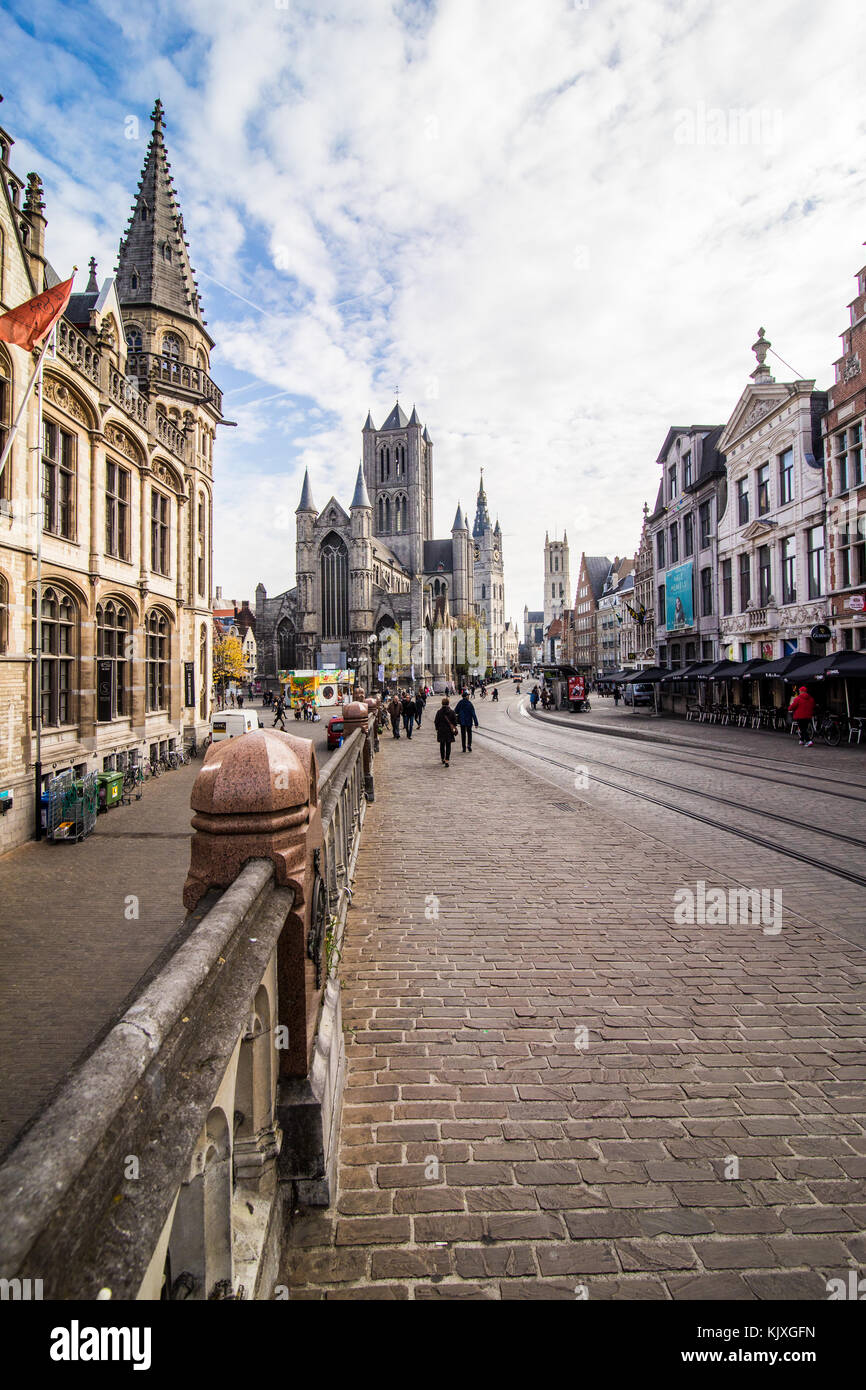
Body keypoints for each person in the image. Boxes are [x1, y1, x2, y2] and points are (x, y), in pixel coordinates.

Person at [434, 696, 458, 765]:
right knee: (448, 745)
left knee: (442, 745)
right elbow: (455, 722)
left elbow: (436, 721)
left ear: (442, 703)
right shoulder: (452, 712)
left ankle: (442, 758)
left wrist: (437, 728)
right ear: (448, 703)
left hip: (441, 730)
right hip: (449, 731)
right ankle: (447, 759)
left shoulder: (439, 712)